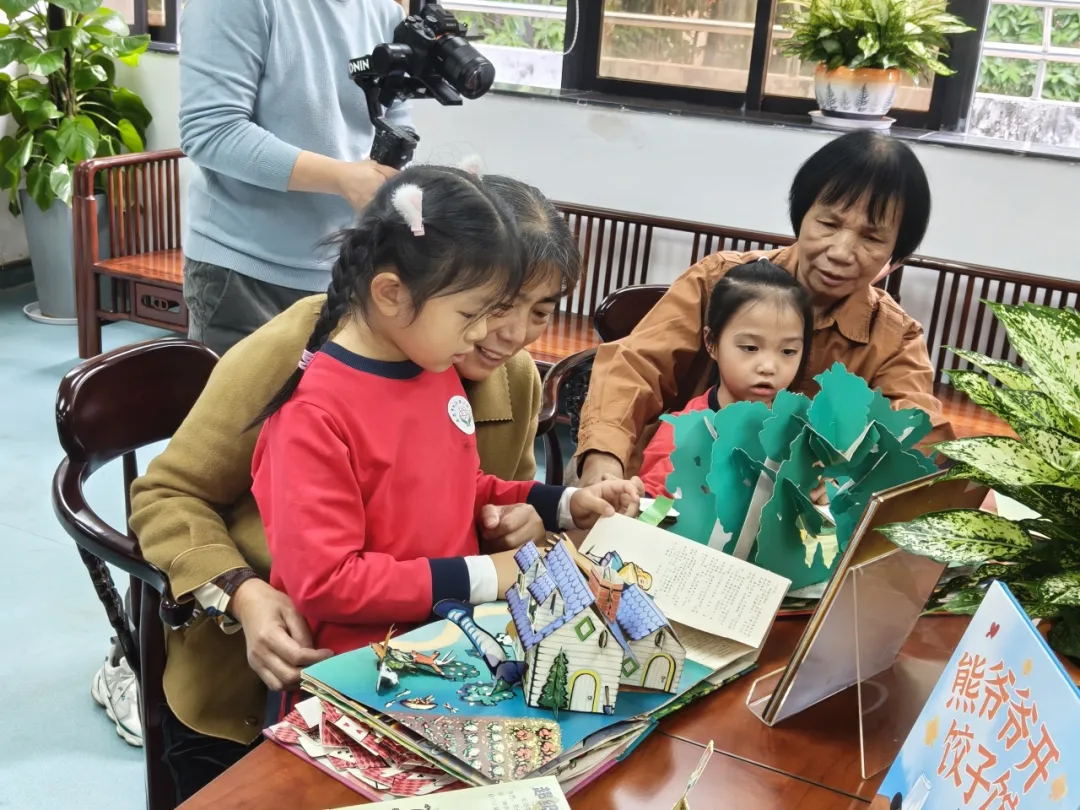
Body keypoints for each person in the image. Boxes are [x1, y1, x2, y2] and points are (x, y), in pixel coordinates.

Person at [125, 174, 585, 801]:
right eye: (493, 307)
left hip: (428, 657)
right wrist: (242, 593)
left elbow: (470, 491)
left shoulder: (470, 369)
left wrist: (538, 515)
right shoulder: (309, 357)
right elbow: (168, 494)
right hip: (281, 673)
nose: (503, 333)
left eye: (541, 310)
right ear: (404, 289)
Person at [249, 166, 638, 706]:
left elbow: (460, 485)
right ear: (392, 294)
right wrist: (488, 574)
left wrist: (564, 505)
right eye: (473, 313)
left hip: (451, 650)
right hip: (360, 681)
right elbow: (328, 582)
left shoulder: (433, 367)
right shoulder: (313, 414)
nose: (484, 333)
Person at [576, 131, 955, 488]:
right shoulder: (719, 280)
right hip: (669, 492)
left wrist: (850, 478)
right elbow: (635, 367)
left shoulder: (895, 338)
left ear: (896, 255)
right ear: (801, 215)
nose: (840, 252)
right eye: (828, 223)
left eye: (871, 238)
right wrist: (603, 459)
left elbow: (918, 434)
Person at [178, 0, 410, 356]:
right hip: (245, 274)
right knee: (248, 395)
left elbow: (397, 119)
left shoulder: (385, 13)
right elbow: (212, 131)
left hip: (349, 269)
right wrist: (344, 179)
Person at [638, 260, 813, 498]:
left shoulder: (801, 431)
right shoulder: (684, 432)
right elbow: (652, 508)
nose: (769, 367)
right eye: (750, 348)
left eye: (788, 351)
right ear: (711, 343)